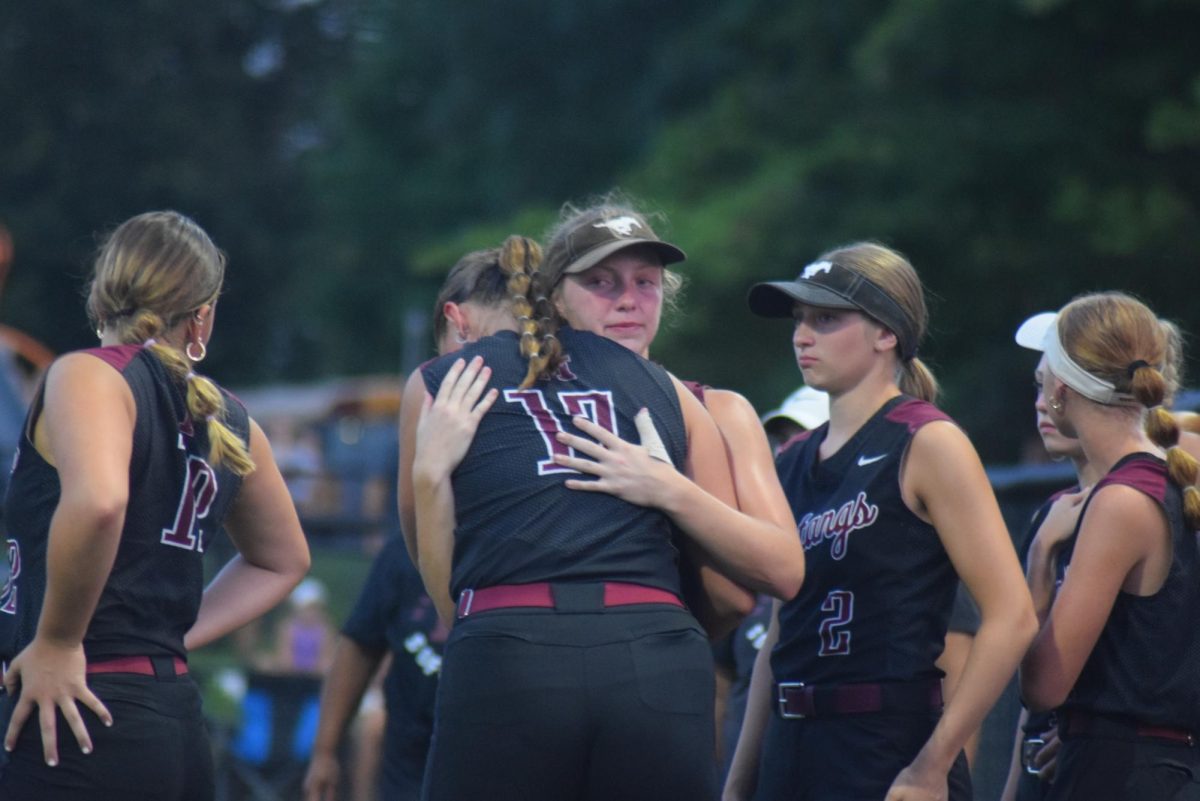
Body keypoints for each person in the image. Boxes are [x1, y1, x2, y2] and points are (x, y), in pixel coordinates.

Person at [399, 234, 804, 801]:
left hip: (509, 650)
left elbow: (448, 594)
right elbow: (736, 598)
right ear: (553, 297)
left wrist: (668, 490)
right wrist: (653, 635)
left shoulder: (450, 379)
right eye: (602, 283)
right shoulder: (685, 398)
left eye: (646, 283)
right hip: (654, 653)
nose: (628, 301)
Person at [0, 210, 311, 800]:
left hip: (76, 706)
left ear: (101, 294)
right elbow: (284, 560)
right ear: (202, 315)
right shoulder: (235, 419)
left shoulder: (87, 376)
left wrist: (59, 641)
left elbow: (99, 503)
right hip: (169, 717)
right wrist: (170, 639)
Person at [721, 242, 1037, 801]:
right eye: (799, 320)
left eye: (826, 319)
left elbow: (1012, 617)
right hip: (791, 744)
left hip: (886, 744)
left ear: (886, 332)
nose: (802, 336)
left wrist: (932, 764)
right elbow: (779, 635)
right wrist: (740, 784)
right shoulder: (791, 461)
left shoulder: (928, 441)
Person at [304, 245, 512, 801]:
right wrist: (325, 751)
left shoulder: (528, 533)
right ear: (453, 327)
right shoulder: (403, 554)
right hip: (410, 770)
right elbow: (358, 644)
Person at [1019, 292, 1200, 800]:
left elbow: (1040, 688)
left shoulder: (1122, 500)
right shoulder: (1171, 480)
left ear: (1059, 390)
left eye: (1041, 382)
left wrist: (1040, 560)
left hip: (1126, 773)